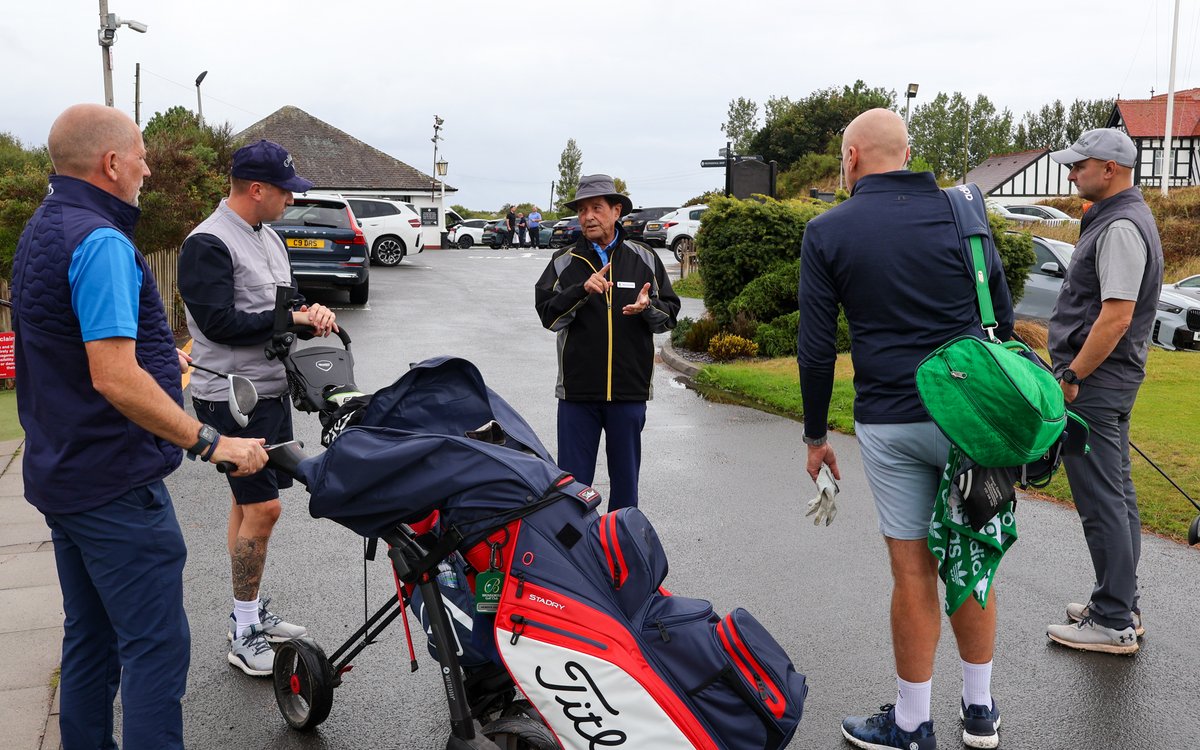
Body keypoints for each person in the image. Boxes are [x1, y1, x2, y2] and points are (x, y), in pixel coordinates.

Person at [10, 103, 268, 750]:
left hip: (62, 474)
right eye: (142, 157)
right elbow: (113, 377)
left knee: (90, 638)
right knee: (156, 648)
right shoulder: (100, 242)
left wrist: (159, 356)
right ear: (111, 163)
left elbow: (66, 347)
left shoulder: (45, 226)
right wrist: (211, 441)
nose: (147, 170)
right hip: (114, 484)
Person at [797, 109, 1013, 750]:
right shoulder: (964, 211)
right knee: (973, 560)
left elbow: (815, 350)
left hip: (890, 418)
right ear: (908, 153)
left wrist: (816, 437)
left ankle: (914, 725)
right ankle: (980, 711)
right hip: (972, 419)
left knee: (914, 573)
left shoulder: (827, 231)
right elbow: (1000, 319)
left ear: (852, 157)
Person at [178, 140, 338, 677]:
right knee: (265, 508)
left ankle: (244, 614)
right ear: (256, 189)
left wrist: (309, 312)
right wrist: (291, 321)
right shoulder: (206, 243)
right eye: (286, 191)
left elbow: (283, 304)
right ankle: (245, 631)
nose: (292, 200)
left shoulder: (268, 235)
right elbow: (218, 323)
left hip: (269, 391)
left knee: (248, 504)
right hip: (231, 397)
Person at [1044, 128, 1163, 655]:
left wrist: (1072, 377)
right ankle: (1121, 604)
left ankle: (1113, 620)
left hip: (1095, 382)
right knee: (1117, 495)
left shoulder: (1120, 227)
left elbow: (1115, 317)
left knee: (1100, 501)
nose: (1072, 174)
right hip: (1109, 380)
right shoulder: (1118, 218)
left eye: (1079, 166)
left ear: (1109, 169)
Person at [534, 174, 680, 511]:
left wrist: (648, 307)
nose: (588, 217)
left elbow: (669, 315)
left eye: (596, 208)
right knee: (572, 492)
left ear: (616, 211)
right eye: (582, 210)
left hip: (629, 393)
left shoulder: (644, 257)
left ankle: (619, 544)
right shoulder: (564, 261)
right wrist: (581, 291)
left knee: (626, 488)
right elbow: (549, 317)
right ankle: (577, 546)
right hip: (577, 395)